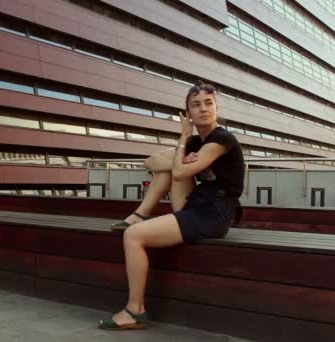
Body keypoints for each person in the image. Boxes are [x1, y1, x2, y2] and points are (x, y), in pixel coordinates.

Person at [98, 80, 245, 330]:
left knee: (133, 237)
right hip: (198, 204)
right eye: (196, 105)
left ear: (217, 108)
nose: (203, 109)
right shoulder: (198, 142)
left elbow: (179, 173)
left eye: (209, 103)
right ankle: (139, 214)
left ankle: (134, 310)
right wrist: (182, 154)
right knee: (168, 169)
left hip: (214, 213)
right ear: (188, 112)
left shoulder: (222, 139)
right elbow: (151, 162)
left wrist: (182, 143)